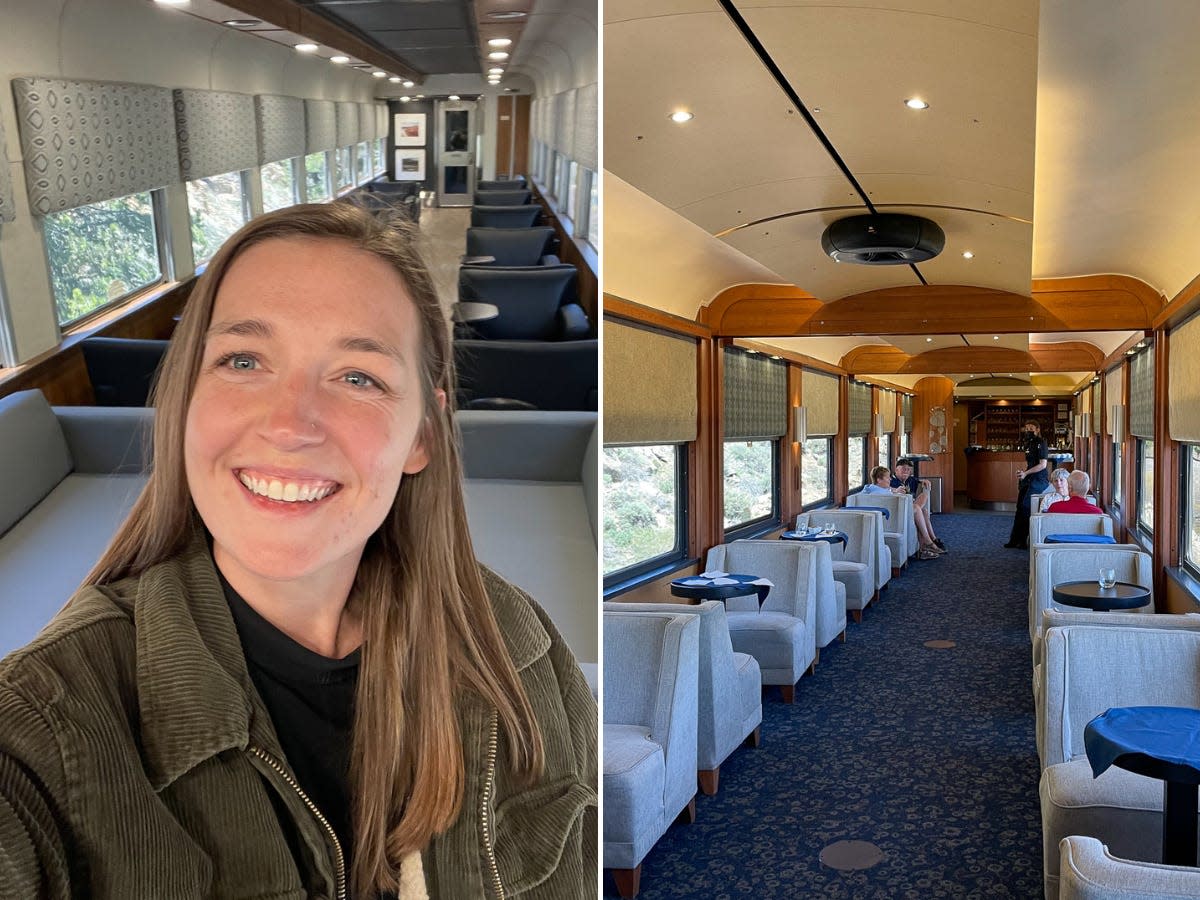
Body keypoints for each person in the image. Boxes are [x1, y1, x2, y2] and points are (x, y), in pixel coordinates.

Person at [0, 203, 596, 898]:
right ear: (186, 397)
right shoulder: (40, 726)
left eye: (357, 377)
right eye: (243, 360)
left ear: (422, 437)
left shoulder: (521, 652)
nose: (289, 425)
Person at [1005, 421, 1049, 548]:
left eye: (1031, 428)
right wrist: (1024, 473)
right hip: (1028, 478)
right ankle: (1014, 540)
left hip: (1039, 480)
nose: (1028, 430)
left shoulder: (1042, 443)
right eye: (1026, 428)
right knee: (1019, 507)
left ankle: (1024, 541)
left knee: (1026, 508)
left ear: (1038, 429)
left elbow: (1042, 465)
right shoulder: (1029, 444)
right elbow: (1031, 463)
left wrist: (1026, 473)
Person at [891, 458, 946, 555]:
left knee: (923, 504)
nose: (906, 471)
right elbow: (884, 488)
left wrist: (923, 480)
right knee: (920, 510)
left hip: (911, 507)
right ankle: (929, 542)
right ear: (896, 470)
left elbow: (917, 480)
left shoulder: (910, 480)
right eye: (903, 469)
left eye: (908, 469)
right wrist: (895, 490)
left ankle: (933, 539)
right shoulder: (891, 481)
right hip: (900, 510)